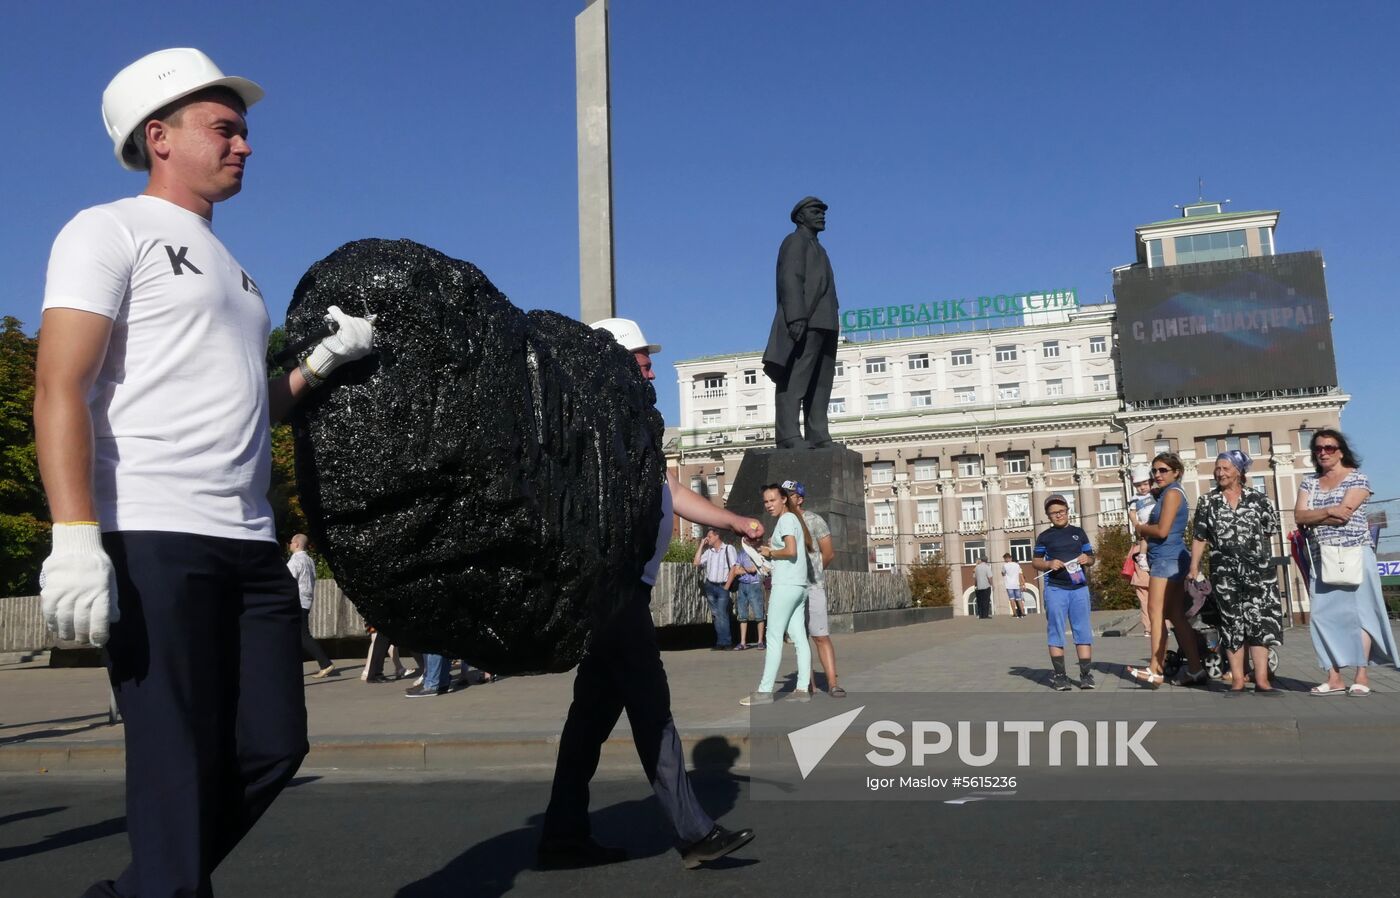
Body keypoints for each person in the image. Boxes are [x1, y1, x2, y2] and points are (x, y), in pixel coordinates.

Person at [34, 48, 375, 898]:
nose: (244, 145)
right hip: (150, 534)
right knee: (175, 767)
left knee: (273, 746)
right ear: (159, 137)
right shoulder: (107, 229)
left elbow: (252, 406)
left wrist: (323, 362)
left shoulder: (241, 275)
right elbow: (60, 385)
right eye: (224, 128)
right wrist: (73, 536)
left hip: (249, 541)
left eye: (244, 131)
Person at [540, 317, 757, 870]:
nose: (652, 370)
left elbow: (670, 490)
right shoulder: (592, 424)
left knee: (588, 721)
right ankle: (694, 832)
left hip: (619, 592)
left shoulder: (629, 424)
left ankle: (563, 835)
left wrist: (732, 520)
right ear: (613, 363)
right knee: (652, 711)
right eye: (643, 361)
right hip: (612, 591)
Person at [1295, 429, 1399, 696]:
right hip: (1321, 557)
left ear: (1341, 451)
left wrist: (1316, 514)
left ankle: (1361, 675)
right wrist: (1330, 510)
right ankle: (1334, 678)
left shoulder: (1358, 478)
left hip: (1355, 553)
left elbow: (1346, 514)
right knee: (1323, 617)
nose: (1323, 453)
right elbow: (1300, 517)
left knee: (1361, 614)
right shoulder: (1309, 483)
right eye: (1318, 448)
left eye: (1329, 447)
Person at [1188, 451, 1284, 694]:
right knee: (1231, 623)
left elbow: (1269, 531)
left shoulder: (1259, 499)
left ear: (1239, 472)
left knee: (1259, 623)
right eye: (1217, 468)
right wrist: (1194, 567)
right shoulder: (1207, 501)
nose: (1220, 473)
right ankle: (1238, 680)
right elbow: (1199, 537)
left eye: (1225, 468)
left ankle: (1262, 680)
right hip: (1224, 574)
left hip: (1259, 573)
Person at [762, 197, 840, 449]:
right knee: (795, 379)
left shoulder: (820, 248)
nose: (821, 215)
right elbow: (790, 279)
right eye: (815, 211)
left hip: (826, 321)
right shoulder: (794, 241)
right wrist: (796, 316)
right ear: (800, 217)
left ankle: (818, 433)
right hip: (806, 320)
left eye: (822, 212)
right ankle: (788, 435)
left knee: (821, 382)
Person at [1128, 452, 1206, 688]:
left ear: (1177, 472)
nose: (1157, 475)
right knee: (1175, 614)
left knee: (1155, 612)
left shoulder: (1172, 493)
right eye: (1154, 471)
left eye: (1163, 470)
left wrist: (1140, 527)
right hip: (1170, 557)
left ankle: (1155, 670)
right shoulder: (1168, 493)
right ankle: (1195, 669)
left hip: (1167, 558)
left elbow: (1162, 531)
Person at [743, 483, 813, 704]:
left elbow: (790, 551)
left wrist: (770, 552)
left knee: (773, 638)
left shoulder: (786, 520)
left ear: (784, 499)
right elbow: (791, 550)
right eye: (765, 501)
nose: (769, 505)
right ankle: (802, 689)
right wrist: (767, 550)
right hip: (799, 586)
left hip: (785, 585)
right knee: (799, 638)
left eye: (772, 500)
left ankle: (764, 692)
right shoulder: (794, 520)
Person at [1032, 495, 1096, 690]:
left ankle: (1086, 675)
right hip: (1055, 589)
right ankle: (1060, 676)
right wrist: (1049, 564)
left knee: (1082, 630)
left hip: (1079, 589)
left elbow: (1091, 558)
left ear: (1068, 511)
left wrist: (1087, 559)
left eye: (1061, 511)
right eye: (1053, 513)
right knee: (1056, 631)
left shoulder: (1079, 533)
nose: (1058, 515)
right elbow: (1036, 561)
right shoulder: (1045, 536)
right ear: (1048, 516)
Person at [789, 481, 844, 697]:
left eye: (790, 495)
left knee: (820, 635)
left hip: (813, 586)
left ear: (800, 499)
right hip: (791, 588)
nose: (785, 498)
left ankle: (832, 684)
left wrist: (815, 572)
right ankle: (807, 686)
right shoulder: (783, 522)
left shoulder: (814, 520)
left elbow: (828, 553)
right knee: (800, 639)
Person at [287, 533, 336, 679]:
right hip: (306, 600)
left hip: (296, 601)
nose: (289, 544)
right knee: (297, 635)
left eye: (291, 542)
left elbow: (288, 581)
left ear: (296, 544)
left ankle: (325, 663)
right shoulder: (309, 560)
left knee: (303, 635)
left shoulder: (295, 560)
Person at [694, 529, 737, 650]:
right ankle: (720, 642)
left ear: (717, 536)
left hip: (722, 586)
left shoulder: (728, 548)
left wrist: (727, 586)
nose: (708, 538)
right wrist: (701, 545)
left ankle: (727, 642)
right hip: (710, 586)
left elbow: (733, 568)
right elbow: (696, 563)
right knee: (715, 615)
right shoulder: (709, 552)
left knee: (722, 614)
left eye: (710, 536)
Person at [1128, 465, 1155, 638]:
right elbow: (1132, 513)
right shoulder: (1135, 498)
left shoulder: (1156, 494)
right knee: (1147, 599)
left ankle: (1157, 627)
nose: (1142, 488)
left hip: (1156, 525)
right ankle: (1150, 628)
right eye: (1139, 485)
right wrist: (1137, 524)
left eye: (1145, 484)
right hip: (1145, 527)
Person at [732, 542, 766, 649]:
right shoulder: (741, 554)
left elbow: (753, 569)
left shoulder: (757, 553)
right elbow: (736, 571)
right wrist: (746, 569)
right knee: (742, 615)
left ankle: (760, 641)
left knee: (759, 614)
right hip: (742, 585)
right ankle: (743, 642)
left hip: (755, 585)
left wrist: (743, 568)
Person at [1002, 553, 1026, 618]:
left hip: (1009, 584)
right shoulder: (1017, 565)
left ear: (1006, 558)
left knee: (1011, 599)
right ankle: (1022, 612)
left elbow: (1003, 573)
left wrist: (1004, 574)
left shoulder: (1005, 565)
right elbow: (1020, 574)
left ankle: (1014, 613)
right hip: (1016, 584)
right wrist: (1023, 583)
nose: (1004, 560)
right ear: (1011, 558)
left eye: (1004, 559)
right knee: (1019, 598)